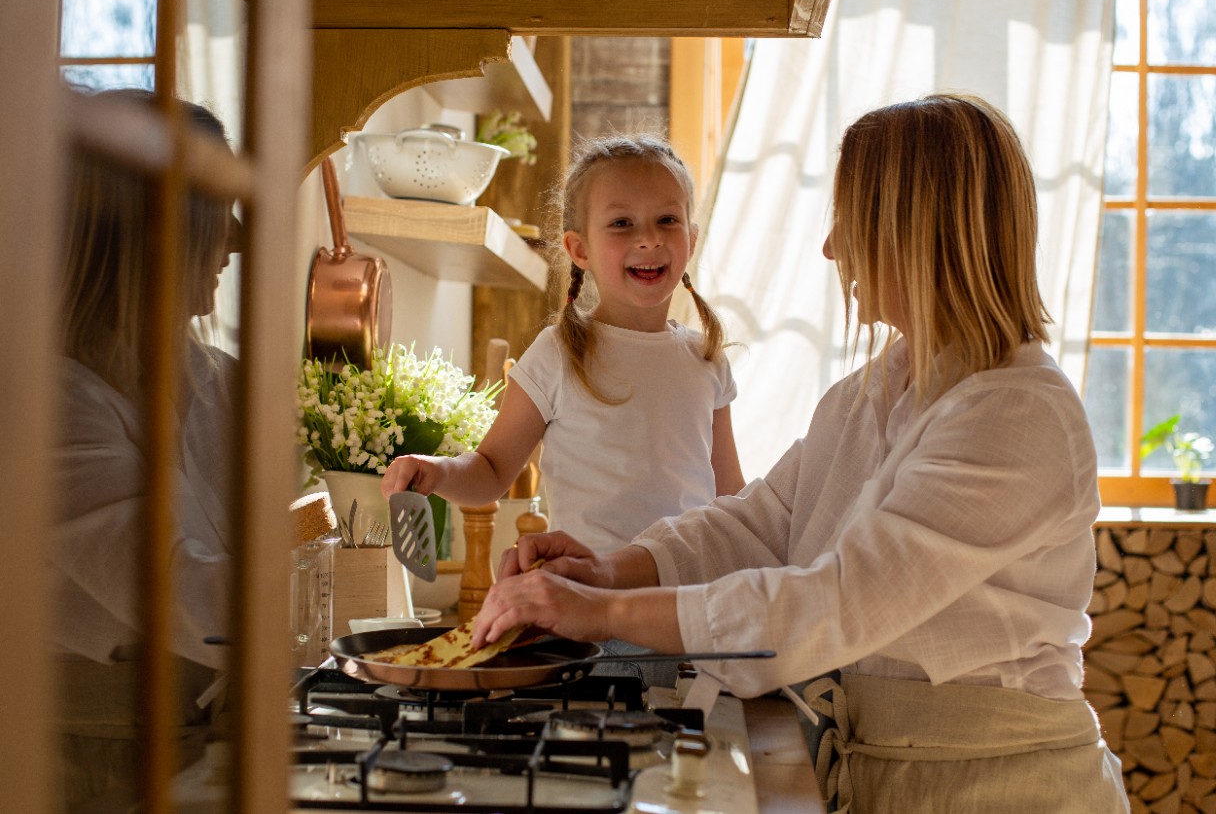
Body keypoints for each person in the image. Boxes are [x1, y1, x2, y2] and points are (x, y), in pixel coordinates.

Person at [470, 93, 1128, 812]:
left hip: (1001, 789)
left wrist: (601, 611)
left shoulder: (1016, 413)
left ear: (912, 230)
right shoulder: (872, 391)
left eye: (849, 219)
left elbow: (835, 602)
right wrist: (605, 569)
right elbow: (757, 523)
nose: (831, 247)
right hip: (898, 772)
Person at [381, 134, 745, 550]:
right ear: (579, 248)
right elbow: (491, 469)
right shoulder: (558, 353)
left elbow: (731, 498)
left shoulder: (706, 360)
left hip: (680, 599)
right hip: (582, 596)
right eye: (622, 223)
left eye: (667, 220)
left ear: (692, 240)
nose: (649, 239)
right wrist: (439, 472)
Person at [53, 88, 239, 812]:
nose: (231, 243)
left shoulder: (216, 377)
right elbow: (170, 581)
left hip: (205, 728)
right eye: (214, 216)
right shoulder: (46, 400)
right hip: (94, 749)